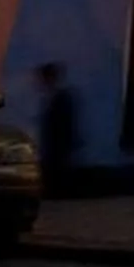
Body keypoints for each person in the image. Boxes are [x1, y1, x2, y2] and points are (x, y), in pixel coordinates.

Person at [33, 60, 78, 196]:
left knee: (57, 169)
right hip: (55, 144)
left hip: (58, 143)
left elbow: (63, 124)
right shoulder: (53, 97)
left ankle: (58, 192)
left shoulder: (61, 98)